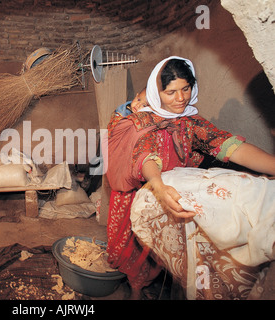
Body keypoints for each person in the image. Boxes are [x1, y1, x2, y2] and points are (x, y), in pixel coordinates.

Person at [105, 56, 275, 299]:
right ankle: (134, 289)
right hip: (141, 190)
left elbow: (228, 146)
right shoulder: (142, 122)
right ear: (157, 92)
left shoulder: (191, 122)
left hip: (174, 191)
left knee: (168, 253)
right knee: (132, 248)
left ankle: (161, 287)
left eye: (186, 88)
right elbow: (146, 156)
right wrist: (158, 186)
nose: (181, 98)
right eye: (171, 92)